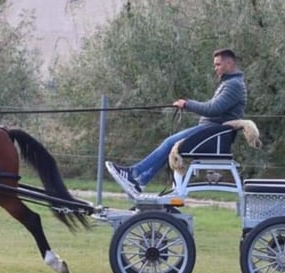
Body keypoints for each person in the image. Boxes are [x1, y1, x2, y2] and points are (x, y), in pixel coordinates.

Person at [106, 48, 247, 194]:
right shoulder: (229, 83)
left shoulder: (233, 85)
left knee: (169, 143)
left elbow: (213, 109)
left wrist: (187, 104)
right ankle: (139, 182)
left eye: (218, 65)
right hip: (209, 132)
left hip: (211, 133)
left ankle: (134, 174)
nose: (215, 68)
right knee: (170, 145)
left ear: (229, 63)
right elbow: (214, 108)